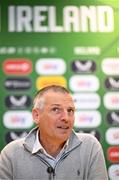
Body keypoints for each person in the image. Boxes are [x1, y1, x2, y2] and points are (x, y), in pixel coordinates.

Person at [0, 85, 108, 180]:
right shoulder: (11, 154)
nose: (66, 118)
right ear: (36, 115)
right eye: (56, 109)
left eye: (70, 111)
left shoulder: (90, 147)